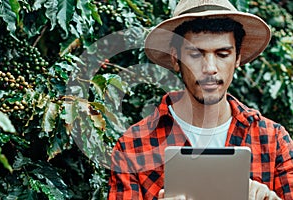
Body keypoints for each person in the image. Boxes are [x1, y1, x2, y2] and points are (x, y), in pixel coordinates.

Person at [108, 0, 293, 199]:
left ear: (237, 57)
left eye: (222, 54)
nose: (209, 68)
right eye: (195, 54)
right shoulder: (133, 146)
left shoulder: (273, 140)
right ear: (175, 58)